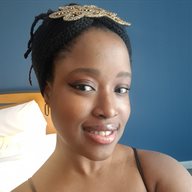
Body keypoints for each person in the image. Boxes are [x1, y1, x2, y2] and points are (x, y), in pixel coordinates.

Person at [12, 3, 192, 192]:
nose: (109, 110)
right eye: (85, 87)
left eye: (121, 89)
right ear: (48, 93)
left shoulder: (161, 175)